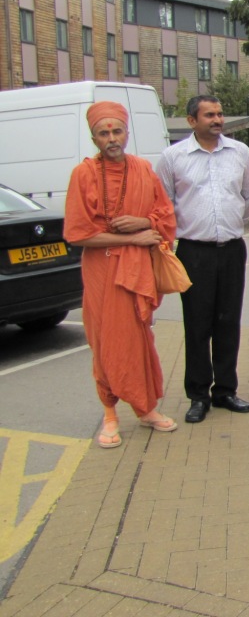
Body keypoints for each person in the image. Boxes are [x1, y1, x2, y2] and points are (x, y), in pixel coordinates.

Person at [64, 101, 179, 448]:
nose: (112, 138)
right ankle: (110, 414)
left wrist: (143, 222)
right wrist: (131, 238)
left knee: (139, 339)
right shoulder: (83, 174)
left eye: (117, 131)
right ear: (94, 138)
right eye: (104, 133)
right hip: (102, 271)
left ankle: (146, 409)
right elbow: (77, 234)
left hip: (137, 269)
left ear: (127, 133)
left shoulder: (143, 169)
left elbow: (166, 216)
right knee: (106, 341)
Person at [157, 95, 249, 424]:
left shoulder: (240, 152)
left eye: (220, 114)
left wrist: (229, 223)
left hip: (232, 249)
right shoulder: (173, 157)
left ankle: (225, 390)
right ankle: (198, 395)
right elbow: (164, 203)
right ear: (191, 120)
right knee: (197, 325)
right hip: (193, 252)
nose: (217, 120)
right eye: (209, 115)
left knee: (228, 322)